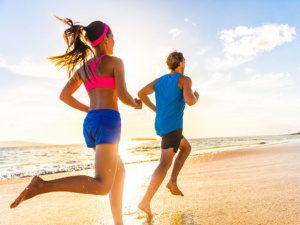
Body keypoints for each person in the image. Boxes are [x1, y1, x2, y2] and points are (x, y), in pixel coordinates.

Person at [10, 16, 142, 225]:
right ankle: (43, 185)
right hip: (108, 121)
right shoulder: (115, 62)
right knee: (102, 185)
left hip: (91, 123)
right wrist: (136, 103)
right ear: (106, 38)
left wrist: (90, 109)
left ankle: (119, 223)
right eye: (113, 37)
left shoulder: (84, 69)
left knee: (120, 172)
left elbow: (64, 95)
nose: (115, 42)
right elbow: (124, 96)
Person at [137, 51, 199, 217]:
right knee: (164, 163)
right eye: (184, 61)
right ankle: (145, 201)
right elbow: (190, 101)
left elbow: (141, 93)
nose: (185, 63)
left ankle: (172, 182)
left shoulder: (159, 81)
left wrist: (155, 109)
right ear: (181, 63)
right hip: (173, 126)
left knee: (186, 148)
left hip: (162, 125)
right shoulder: (184, 80)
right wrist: (196, 96)